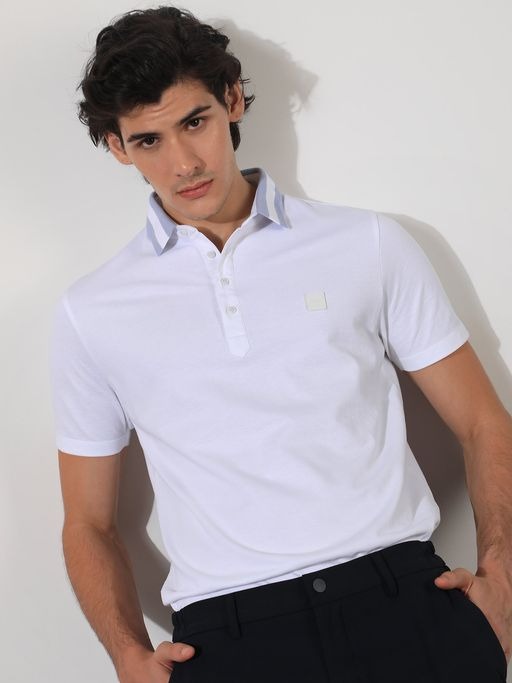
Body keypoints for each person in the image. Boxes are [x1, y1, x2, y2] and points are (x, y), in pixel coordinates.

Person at [50, 6, 512, 683]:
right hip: (230, 639)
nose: (183, 163)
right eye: (148, 140)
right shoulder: (92, 311)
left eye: (195, 122)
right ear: (118, 148)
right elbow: (88, 522)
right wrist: (126, 653)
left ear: (232, 100)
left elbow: (483, 422)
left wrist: (502, 576)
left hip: (404, 605)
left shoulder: (366, 244)